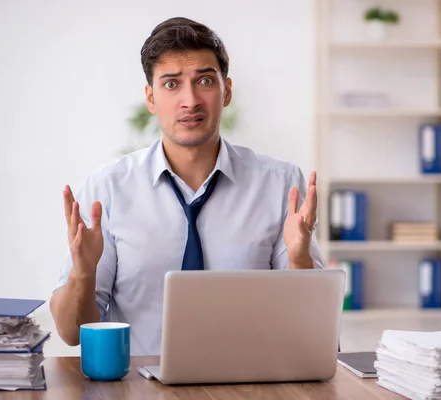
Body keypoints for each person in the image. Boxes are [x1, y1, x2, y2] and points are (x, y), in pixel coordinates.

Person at [49, 16, 325, 356]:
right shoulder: (108, 189)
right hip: (139, 389)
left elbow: (311, 327)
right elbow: (70, 333)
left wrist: (298, 262)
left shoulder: (281, 184)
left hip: (249, 385)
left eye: (205, 80)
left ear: (226, 91)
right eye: (171, 84)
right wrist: (83, 273)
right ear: (150, 98)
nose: (190, 100)